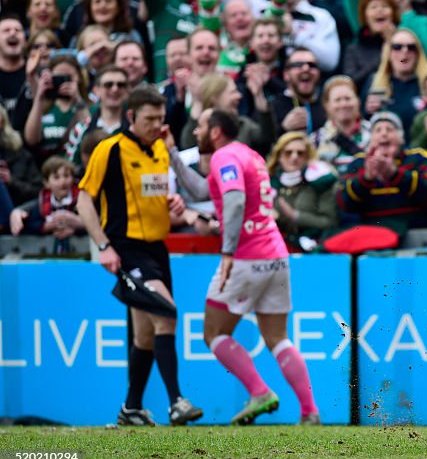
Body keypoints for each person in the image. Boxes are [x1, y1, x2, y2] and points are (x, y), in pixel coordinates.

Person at [166, 109, 321, 424]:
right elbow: (201, 191)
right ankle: (309, 411)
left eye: (200, 127)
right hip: (276, 255)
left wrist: (227, 251)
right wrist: (171, 153)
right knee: (278, 337)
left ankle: (260, 392)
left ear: (216, 132)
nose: (195, 132)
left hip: (247, 256)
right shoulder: (250, 156)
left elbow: (234, 200)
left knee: (213, 333)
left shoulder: (224, 157)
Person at [76, 87, 203, 426]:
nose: (157, 125)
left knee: (144, 335)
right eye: (149, 119)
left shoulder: (160, 148)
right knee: (167, 313)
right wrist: (103, 246)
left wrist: (174, 205)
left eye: (161, 118)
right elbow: (84, 201)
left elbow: (154, 195)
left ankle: (131, 409)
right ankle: (177, 401)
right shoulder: (110, 149)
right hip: (126, 246)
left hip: (157, 249)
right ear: (131, 116)